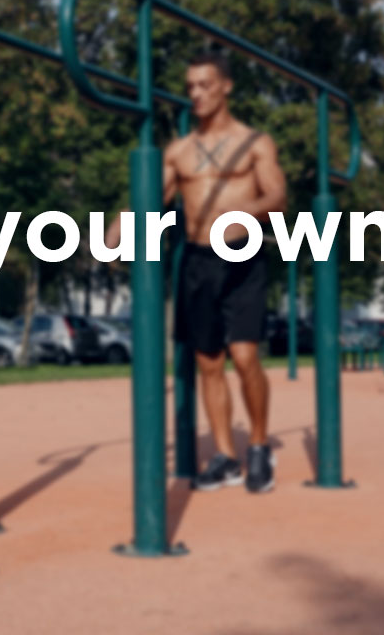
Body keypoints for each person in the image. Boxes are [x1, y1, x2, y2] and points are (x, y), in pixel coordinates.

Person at [105, 50, 287, 493]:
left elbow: (277, 197)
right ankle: (225, 456)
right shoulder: (179, 151)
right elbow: (149, 199)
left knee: (244, 356)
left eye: (205, 85)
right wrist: (113, 234)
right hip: (198, 259)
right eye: (190, 87)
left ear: (226, 87)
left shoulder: (256, 142)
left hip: (243, 253)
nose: (196, 95)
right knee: (208, 362)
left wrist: (247, 215)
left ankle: (259, 445)